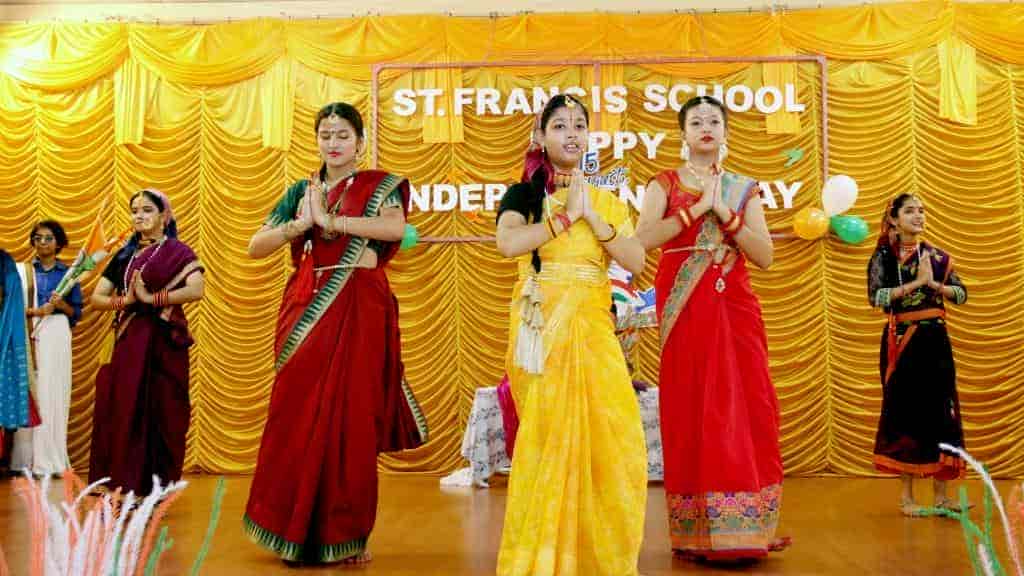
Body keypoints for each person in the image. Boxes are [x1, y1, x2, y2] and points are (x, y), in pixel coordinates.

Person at [243, 102, 427, 566]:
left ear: (360, 142)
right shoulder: (301, 191)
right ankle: (292, 531)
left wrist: (333, 223)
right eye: (325, 134)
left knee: (351, 419)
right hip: (308, 308)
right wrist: (301, 225)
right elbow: (255, 246)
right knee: (296, 416)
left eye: (343, 134)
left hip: (361, 306)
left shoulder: (379, 186)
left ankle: (344, 534)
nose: (333, 142)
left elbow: (395, 228)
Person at [495, 94, 647, 575]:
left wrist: (591, 216)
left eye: (580, 125)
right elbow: (508, 243)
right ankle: (543, 560)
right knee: (548, 441)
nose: (572, 133)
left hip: (593, 328)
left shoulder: (607, 202)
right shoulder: (523, 195)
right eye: (560, 125)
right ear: (540, 137)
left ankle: (597, 559)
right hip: (542, 330)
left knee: (613, 438)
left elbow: (637, 260)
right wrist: (563, 217)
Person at [636, 95, 787, 560]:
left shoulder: (743, 188)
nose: (706, 127)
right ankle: (696, 531)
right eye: (696, 121)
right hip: (685, 302)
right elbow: (642, 241)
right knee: (693, 402)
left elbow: (764, 255)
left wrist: (724, 212)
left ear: (725, 131)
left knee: (747, 402)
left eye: (714, 121)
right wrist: (695, 208)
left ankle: (746, 528)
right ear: (682, 133)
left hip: (734, 304)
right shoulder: (663, 183)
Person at [88, 189, 205, 496]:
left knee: (161, 411)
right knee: (123, 408)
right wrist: (125, 301)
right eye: (135, 210)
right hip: (128, 341)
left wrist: (153, 299)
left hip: (163, 343)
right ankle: (120, 482)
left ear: (164, 216)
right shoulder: (123, 255)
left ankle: (152, 487)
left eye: (147, 210)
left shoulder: (178, 252)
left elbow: (196, 289)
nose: (139, 216)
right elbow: (97, 298)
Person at [867, 192, 968, 516]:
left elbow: (961, 294)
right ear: (894, 219)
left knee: (942, 413)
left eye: (921, 211)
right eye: (910, 211)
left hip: (935, 342)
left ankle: (942, 496)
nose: (918, 216)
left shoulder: (937, 256)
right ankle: (907, 498)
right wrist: (916, 283)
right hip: (903, 342)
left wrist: (935, 285)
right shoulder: (884, 257)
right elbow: (877, 297)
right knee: (905, 413)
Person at [11, 220, 82, 476]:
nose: (42, 242)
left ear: (59, 243)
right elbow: (8, 308)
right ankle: (24, 461)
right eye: (38, 238)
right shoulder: (21, 272)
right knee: (30, 392)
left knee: (53, 393)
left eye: (48, 238)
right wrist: (33, 312)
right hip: (27, 333)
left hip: (56, 334)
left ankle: (50, 460)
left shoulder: (68, 274)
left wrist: (60, 305)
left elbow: (76, 314)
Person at [0, 248, 33, 470]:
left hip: (6, 334)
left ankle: (4, 462)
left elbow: (10, 299)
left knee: (7, 399)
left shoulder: (5, 262)